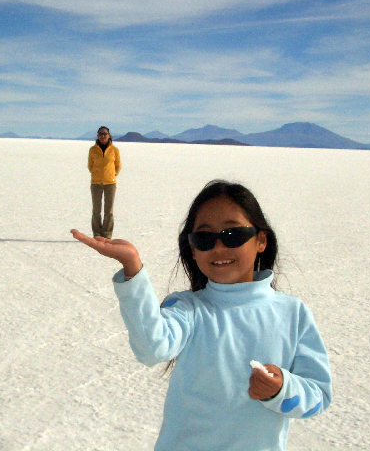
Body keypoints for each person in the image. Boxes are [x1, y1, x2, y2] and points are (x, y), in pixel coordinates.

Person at [71, 180, 332, 451]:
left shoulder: (292, 313)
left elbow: (318, 396)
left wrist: (282, 390)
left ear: (261, 240)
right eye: (205, 238)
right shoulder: (187, 309)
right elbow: (152, 348)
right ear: (193, 250)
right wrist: (132, 267)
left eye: (232, 235)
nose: (218, 247)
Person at [87, 126, 121, 238]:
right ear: (97, 136)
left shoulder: (114, 150)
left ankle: (107, 234)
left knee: (109, 210)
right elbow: (90, 166)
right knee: (96, 210)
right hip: (96, 183)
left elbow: (118, 166)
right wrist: (97, 175)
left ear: (109, 135)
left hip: (110, 184)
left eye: (105, 134)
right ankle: (96, 233)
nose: (103, 136)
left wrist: (111, 175)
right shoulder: (92, 150)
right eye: (101, 134)